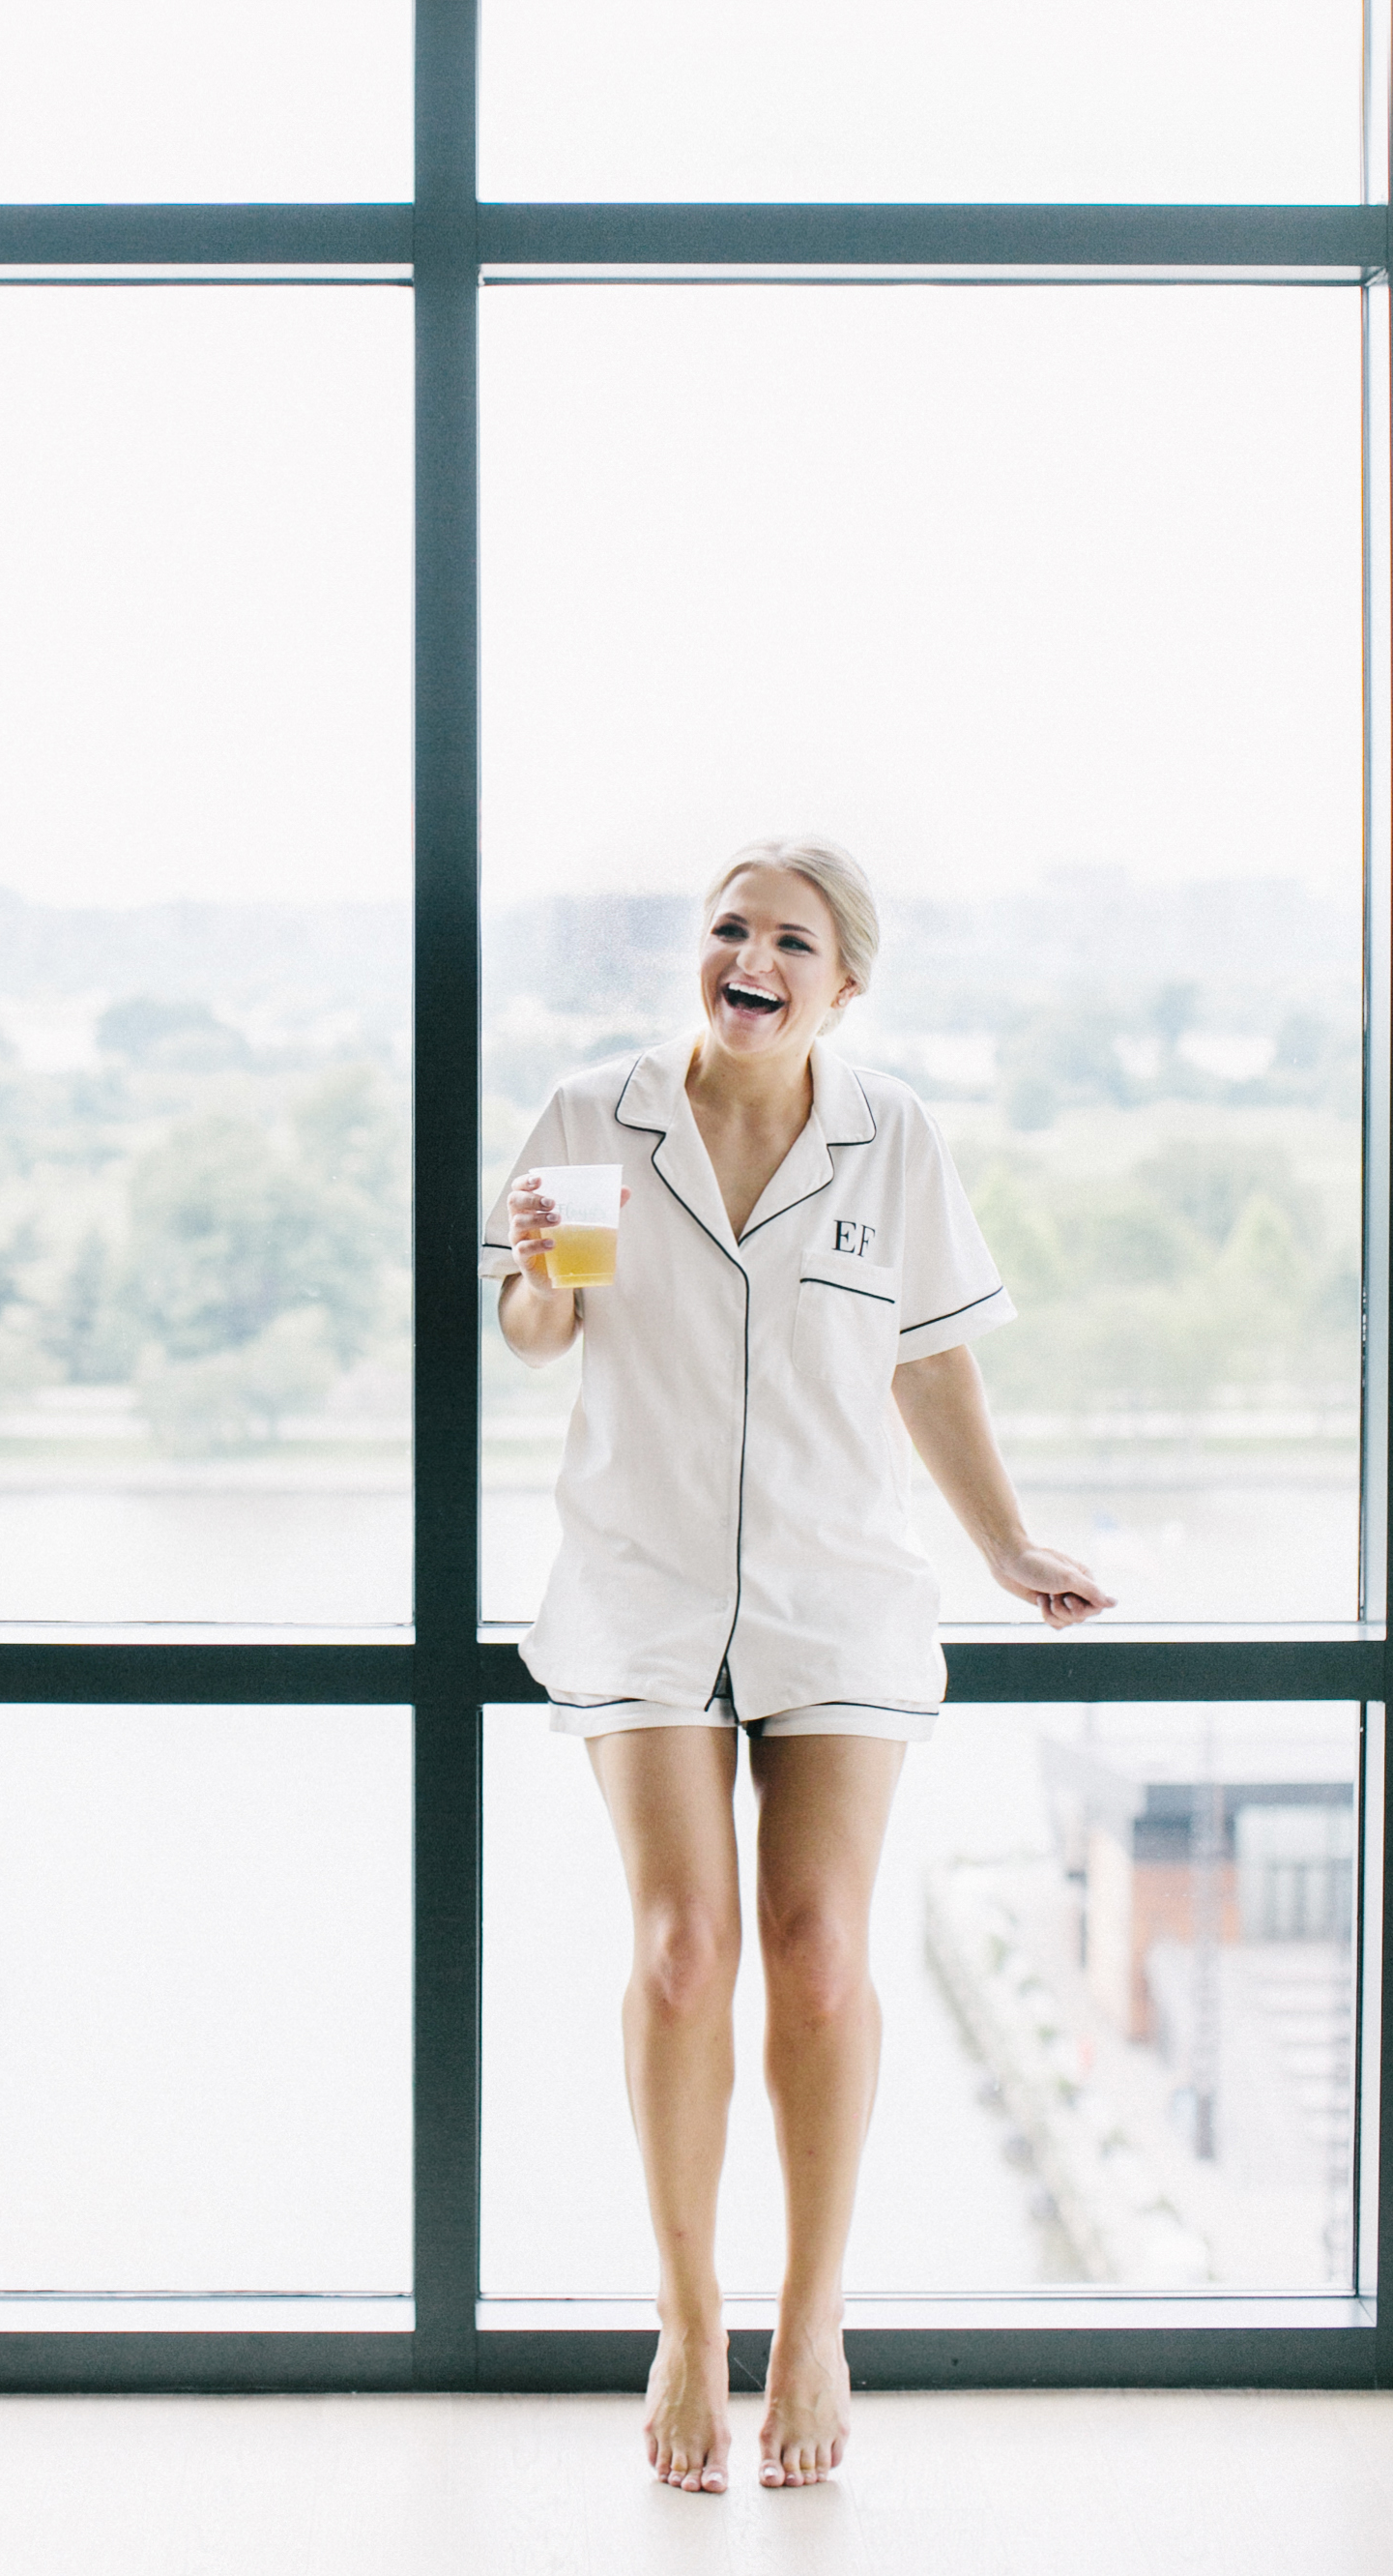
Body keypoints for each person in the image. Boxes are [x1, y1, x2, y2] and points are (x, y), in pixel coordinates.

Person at [480, 838, 1113, 2496]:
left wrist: (1006, 1545)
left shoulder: (887, 1135)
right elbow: (543, 1338)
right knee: (683, 1949)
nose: (748, 955)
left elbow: (930, 1365)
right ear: (699, 955)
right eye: (727, 929)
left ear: (843, 985)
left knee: (818, 1952)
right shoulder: (591, 1119)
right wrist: (541, 1270)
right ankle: (688, 2317)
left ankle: (814, 2318)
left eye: (789, 940)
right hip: (640, 1581)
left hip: (838, 1591)